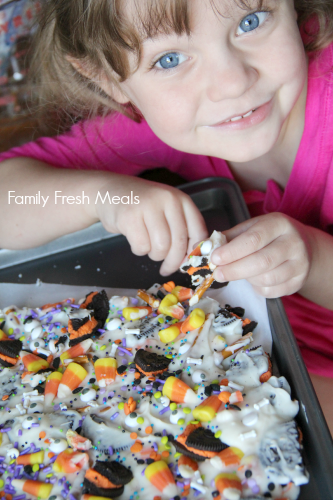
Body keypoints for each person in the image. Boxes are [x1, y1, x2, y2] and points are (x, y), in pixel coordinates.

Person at [0, 0, 332, 431]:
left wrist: (314, 258)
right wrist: (100, 196)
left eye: (251, 21)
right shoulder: (163, 124)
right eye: (169, 60)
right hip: (274, 348)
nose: (232, 82)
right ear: (108, 78)